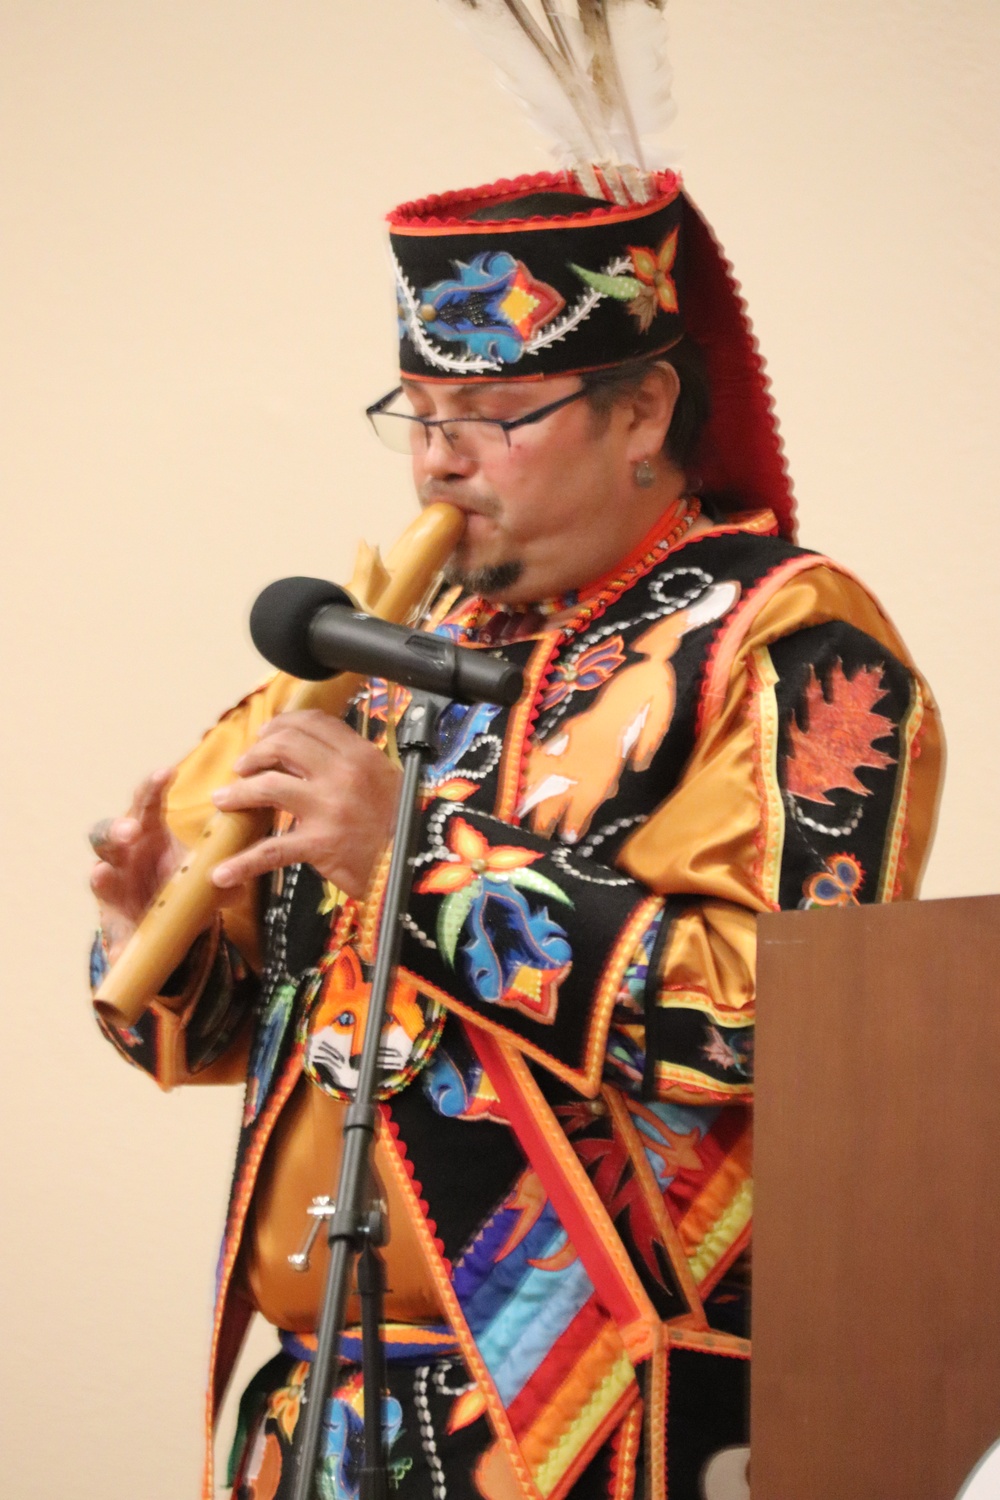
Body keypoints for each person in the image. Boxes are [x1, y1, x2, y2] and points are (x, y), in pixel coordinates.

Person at [90, 171, 942, 1500]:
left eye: (494, 416)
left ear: (644, 409)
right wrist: (161, 930)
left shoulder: (780, 638)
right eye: (418, 416)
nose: (438, 458)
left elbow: (787, 1025)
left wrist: (409, 862)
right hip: (314, 1412)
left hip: (604, 1416)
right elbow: (237, 1039)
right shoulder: (385, 646)